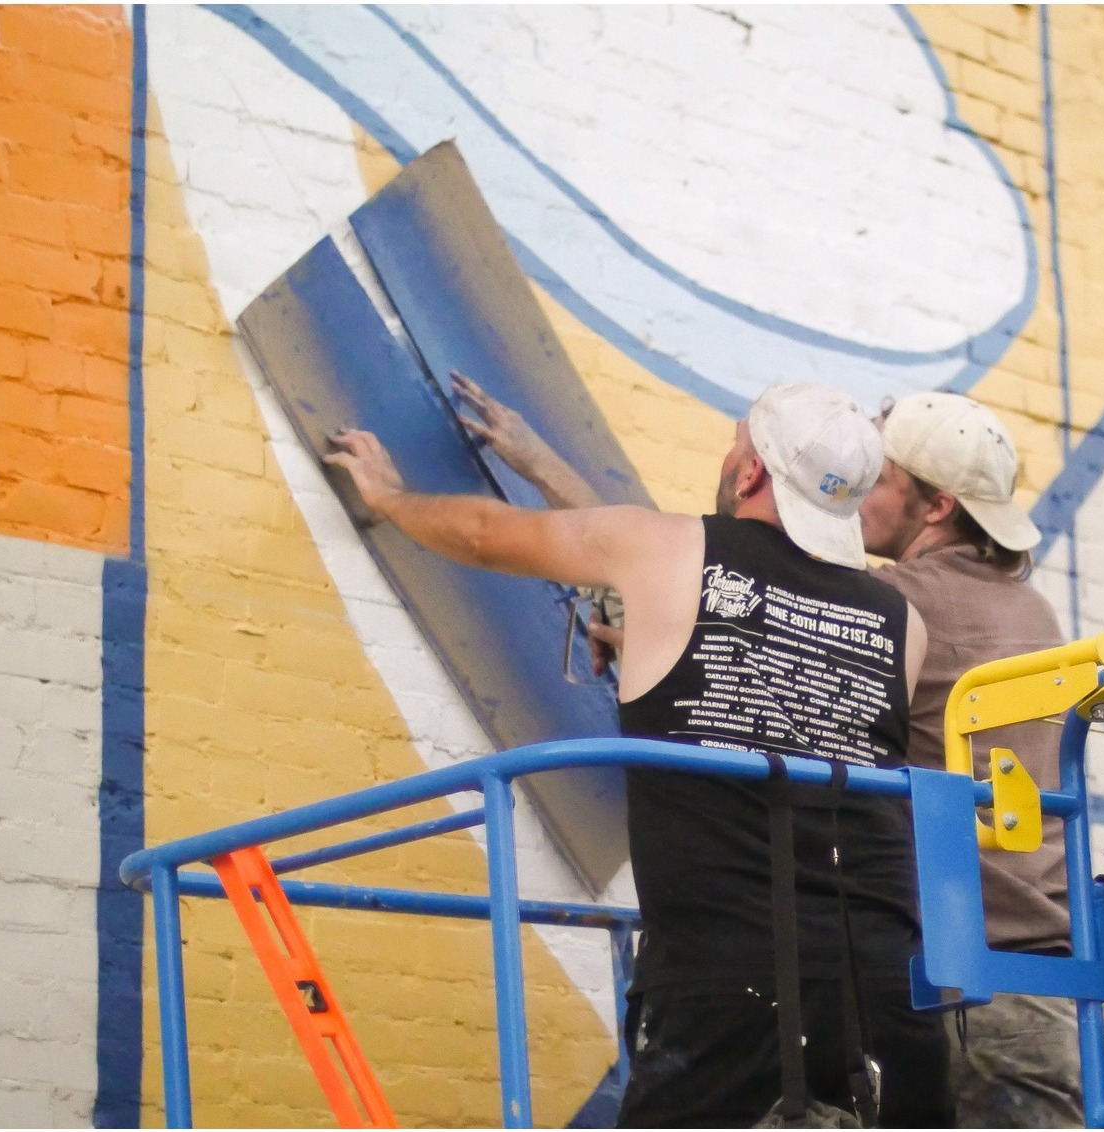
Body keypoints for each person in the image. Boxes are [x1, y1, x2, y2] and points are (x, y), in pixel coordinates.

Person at [327, 381, 952, 1128]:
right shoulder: (902, 622)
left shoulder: (669, 548)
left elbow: (487, 534)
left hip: (728, 979)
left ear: (751, 471)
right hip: (887, 986)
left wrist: (390, 496)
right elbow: (799, 705)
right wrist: (659, 647)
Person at [856, 393, 1085, 1128]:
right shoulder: (1033, 611)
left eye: (880, 476)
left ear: (936, 506)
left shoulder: (895, 601)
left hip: (953, 975)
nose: (860, 489)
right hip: (1044, 973)